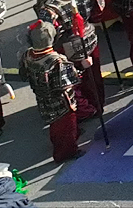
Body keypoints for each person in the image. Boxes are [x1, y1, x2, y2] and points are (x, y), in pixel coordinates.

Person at [34, 0, 104, 115]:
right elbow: (98, 12)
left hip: (66, 46)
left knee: (71, 80)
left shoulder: (49, 5)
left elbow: (47, 32)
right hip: (90, 37)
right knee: (93, 75)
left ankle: (84, 110)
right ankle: (97, 103)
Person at [20, 20, 85, 162]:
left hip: (41, 97)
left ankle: (68, 138)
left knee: (54, 124)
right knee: (64, 127)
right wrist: (83, 67)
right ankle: (66, 153)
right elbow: (70, 81)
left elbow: (23, 75)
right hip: (61, 101)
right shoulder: (57, 60)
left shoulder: (27, 55)